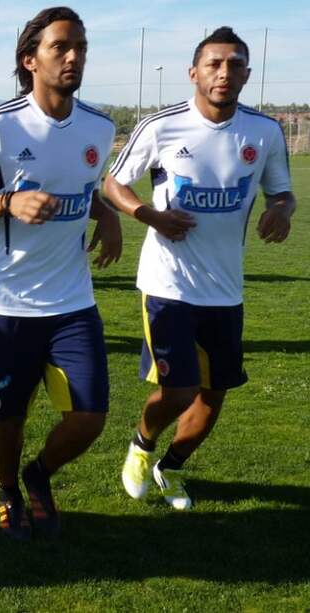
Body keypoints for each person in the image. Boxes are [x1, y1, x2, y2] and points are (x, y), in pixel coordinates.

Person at [0, 6, 121, 540]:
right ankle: (7, 492)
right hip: (7, 306)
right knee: (9, 419)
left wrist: (108, 214)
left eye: (81, 47)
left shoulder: (99, 126)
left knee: (89, 418)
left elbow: (86, 188)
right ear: (31, 60)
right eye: (61, 47)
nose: (74, 57)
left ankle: (38, 474)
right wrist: (7, 202)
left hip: (72, 303)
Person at [104, 27, 296, 510]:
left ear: (247, 75)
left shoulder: (264, 132)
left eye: (234, 65)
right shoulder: (161, 126)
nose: (223, 73)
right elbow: (114, 183)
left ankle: (170, 469)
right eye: (214, 64)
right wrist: (149, 215)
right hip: (167, 283)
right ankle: (141, 446)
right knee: (179, 388)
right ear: (194, 72)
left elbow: (282, 192)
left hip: (226, 289)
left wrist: (282, 210)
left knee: (213, 398)